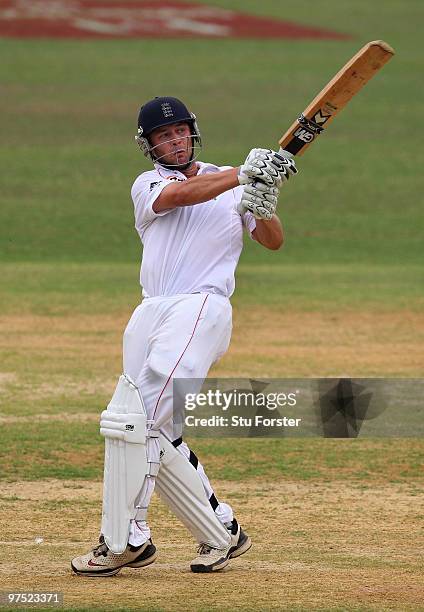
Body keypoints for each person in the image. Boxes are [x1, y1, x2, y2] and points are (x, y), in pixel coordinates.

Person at [71, 96, 298, 577]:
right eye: (162, 136)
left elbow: (272, 240)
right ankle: (222, 532)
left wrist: (263, 202)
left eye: (179, 132)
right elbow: (180, 198)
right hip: (150, 310)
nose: (173, 141)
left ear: (192, 133)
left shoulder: (234, 182)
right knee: (152, 429)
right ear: (148, 144)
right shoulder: (150, 184)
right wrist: (244, 175)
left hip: (200, 305)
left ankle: (124, 538)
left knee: (140, 422)